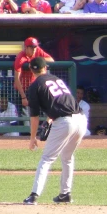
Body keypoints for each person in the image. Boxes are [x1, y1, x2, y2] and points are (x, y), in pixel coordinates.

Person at [23, 57, 87, 205]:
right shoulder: (57, 80)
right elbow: (60, 102)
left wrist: (32, 138)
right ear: (45, 68)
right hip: (81, 119)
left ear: (32, 71)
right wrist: (50, 119)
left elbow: (34, 116)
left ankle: (33, 195)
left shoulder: (34, 86)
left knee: (46, 158)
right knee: (67, 157)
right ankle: (65, 194)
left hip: (64, 122)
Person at [13, 37, 55, 112]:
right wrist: (23, 97)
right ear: (26, 47)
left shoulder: (38, 50)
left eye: (35, 47)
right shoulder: (20, 57)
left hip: (37, 87)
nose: (34, 49)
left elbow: (51, 60)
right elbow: (17, 79)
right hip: (23, 89)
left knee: (43, 111)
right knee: (25, 115)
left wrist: (37, 61)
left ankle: (43, 124)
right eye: (32, 47)